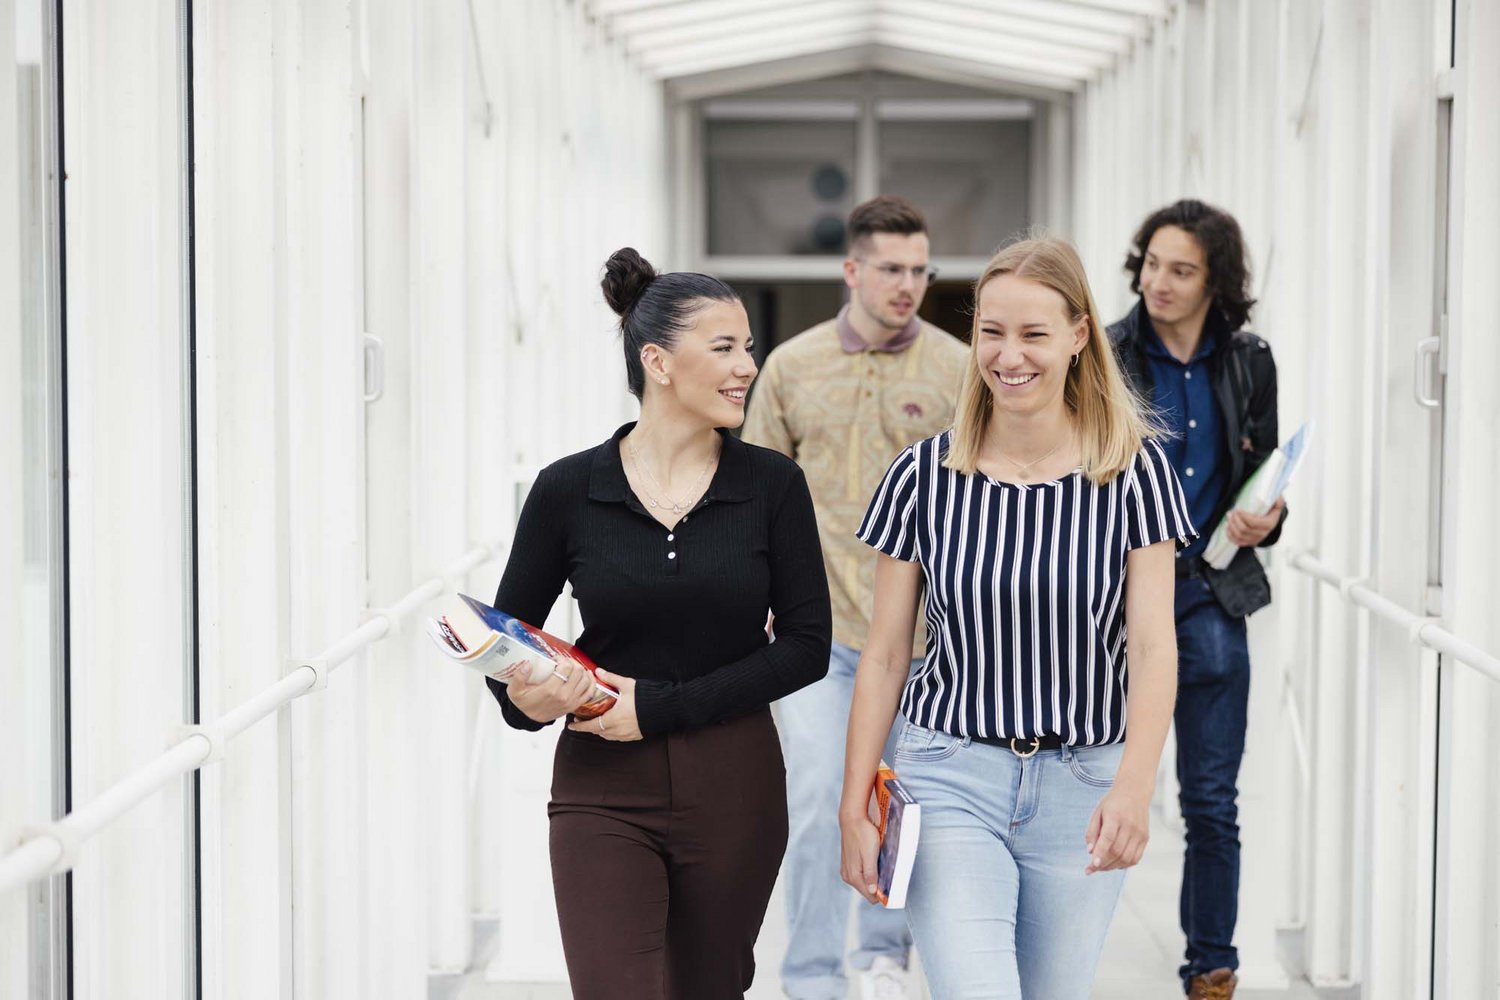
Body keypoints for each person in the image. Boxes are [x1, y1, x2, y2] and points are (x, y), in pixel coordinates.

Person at [839, 235, 1193, 999]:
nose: (1009, 355)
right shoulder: (922, 477)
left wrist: (1135, 786)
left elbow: (1155, 648)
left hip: (1085, 784)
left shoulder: (1134, 474)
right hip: (949, 773)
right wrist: (853, 803)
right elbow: (886, 656)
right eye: (992, 332)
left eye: (1033, 333)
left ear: (1077, 336)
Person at [485, 247, 833, 1000]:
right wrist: (526, 697)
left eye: (747, 346)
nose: (747, 364)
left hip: (734, 784)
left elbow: (808, 647)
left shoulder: (772, 486)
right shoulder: (567, 490)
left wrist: (661, 707)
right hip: (600, 788)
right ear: (659, 362)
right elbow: (509, 643)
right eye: (725, 348)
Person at [741, 194, 967, 1000]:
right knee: (813, 803)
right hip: (816, 637)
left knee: (903, 806)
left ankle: (882, 960)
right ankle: (808, 977)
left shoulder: (958, 369)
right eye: (893, 269)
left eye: (920, 269)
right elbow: (752, 497)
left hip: (927, 646)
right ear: (853, 270)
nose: (909, 284)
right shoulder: (792, 367)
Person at [1107, 199, 1285, 1000]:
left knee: (1212, 799)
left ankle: (1211, 964)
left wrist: (1267, 515)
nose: (1159, 283)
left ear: (1217, 280)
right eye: (1151, 264)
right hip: (1112, 599)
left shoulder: (1249, 360)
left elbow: (1266, 472)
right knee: (1089, 776)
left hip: (1211, 593)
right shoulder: (1104, 356)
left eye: (1181, 270)